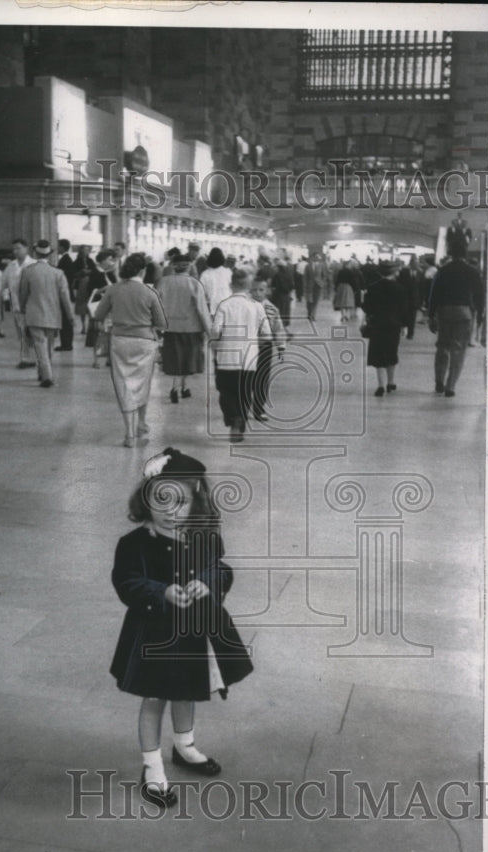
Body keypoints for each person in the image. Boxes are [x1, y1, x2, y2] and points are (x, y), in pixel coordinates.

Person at [110, 447, 254, 808]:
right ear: (146, 501)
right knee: (155, 697)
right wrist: (161, 592)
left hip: (194, 632)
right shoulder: (134, 544)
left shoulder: (203, 536)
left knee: (188, 689)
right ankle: (152, 768)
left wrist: (208, 581)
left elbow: (221, 569)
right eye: (162, 501)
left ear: (195, 503)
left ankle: (184, 747)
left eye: (181, 503)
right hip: (155, 635)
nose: (171, 512)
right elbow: (127, 583)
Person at [94, 252, 167, 448]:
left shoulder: (113, 289)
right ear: (143, 270)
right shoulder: (150, 292)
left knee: (123, 384)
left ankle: (129, 435)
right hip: (145, 342)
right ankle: (141, 423)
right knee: (142, 383)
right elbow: (161, 323)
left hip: (120, 340)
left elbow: (99, 314)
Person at [210, 267, 270, 441]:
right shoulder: (257, 306)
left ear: (231, 285)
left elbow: (215, 333)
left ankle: (232, 417)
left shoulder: (224, 305)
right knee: (245, 393)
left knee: (226, 392)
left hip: (226, 359)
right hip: (249, 359)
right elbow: (267, 334)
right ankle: (240, 419)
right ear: (249, 286)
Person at [428, 232, 484, 398]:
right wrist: (480, 313)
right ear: (465, 254)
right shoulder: (472, 271)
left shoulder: (443, 270)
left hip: (444, 311)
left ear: (450, 253)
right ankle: (450, 386)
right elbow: (479, 294)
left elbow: (434, 294)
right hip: (464, 312)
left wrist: (431, 315)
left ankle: (439, 381)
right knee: (458, 350)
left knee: (442, 347)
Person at [18, 239, 75, 388]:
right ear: (49, 255)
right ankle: (44, 373)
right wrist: (70, 315)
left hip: (34, 313)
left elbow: (23, 293)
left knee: (39, 345)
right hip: (53, 314)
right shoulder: (58, 273)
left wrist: (22, 307)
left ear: (35, 253)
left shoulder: (28, 271)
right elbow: (65, 297)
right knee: (49, 346)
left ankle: (46, 375)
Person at [156, 253, 212, 403]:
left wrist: (156, 326)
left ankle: (176, 387)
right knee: (187, 359)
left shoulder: (163, 282)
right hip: (190, 328)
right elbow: (201, 309)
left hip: (170, 327)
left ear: (173, 266)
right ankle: (183, 387)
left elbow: (156, 305)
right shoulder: (194, 283)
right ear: (190, 266)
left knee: (175, 359)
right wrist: (209, 330)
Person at [362, 259, 409, 397]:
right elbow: (404, 310)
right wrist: (405, 325)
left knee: (378, 355)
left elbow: (366, 307)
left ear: (380, 272)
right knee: (391, 352)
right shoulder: (400, 289)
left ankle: (380, 385)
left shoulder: (373, 287)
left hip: (377, 324)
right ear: (394, 272)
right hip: (394, 325)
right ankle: (391, 382)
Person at [251, 276, 287, 422]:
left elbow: (278, 329)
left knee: (262, 378)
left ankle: (259, 409)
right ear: (249, 290)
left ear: (267, 291)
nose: (258, 293)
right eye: (254, 290)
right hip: (247, 346)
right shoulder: (244, 306)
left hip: (265, 347)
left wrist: (281, 345)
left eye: (261, 290)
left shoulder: (272, 308)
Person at [1, 238, 36, 370]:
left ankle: (35, 357)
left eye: (18, 248)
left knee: (32, 332)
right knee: (22, 332)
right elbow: (3, 281)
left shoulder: (34, 264)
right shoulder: (11, 265)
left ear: (26, 248)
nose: (15, 251)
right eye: (14, 249)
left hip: (31, 304)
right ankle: (25, 358)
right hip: (16, 305)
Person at [85, 249, 118, 367]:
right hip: (99, 306)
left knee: (110, 332)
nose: (111, 262)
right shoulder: (94, 273)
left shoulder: (109, 273)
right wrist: (104, 289)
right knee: (98, 333)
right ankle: (96, 359)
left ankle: (109, 357)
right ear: (102, 260)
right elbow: (91, 291)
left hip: (111, 306)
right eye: (109, 259)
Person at [55, 239, 76, 351]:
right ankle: (66, 343)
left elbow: (65, 278)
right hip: (66, 292)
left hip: (65, 293)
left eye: (58, 246)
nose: (57, 248)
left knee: (65, 320)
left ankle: (66, 344)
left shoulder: (65, 260)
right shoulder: (67, 259)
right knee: (65, 319)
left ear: (62, 247)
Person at [200, 247, 233, 316]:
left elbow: (201, 293)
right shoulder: (228, 272)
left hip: (213, 308)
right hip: (228, 305)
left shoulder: (205, 274)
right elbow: (232, 288)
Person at [398, 255, 421, 340]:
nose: (417, 265)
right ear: (411, 263)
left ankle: (410, 334)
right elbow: (399, 284)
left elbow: (422, 288)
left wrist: (421, 301)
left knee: (412, 317)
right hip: (405, 298)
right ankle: (403, 329)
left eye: (417, 263)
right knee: (404, 315)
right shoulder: (403, 272)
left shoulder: (420, 273)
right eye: (415, 263)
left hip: (415, 299)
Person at [304, 252, 327, 323]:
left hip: (318, 286)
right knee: (309, 301)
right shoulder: (308, 266)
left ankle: (313, 315)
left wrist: (322, 283)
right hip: (309, 286)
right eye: (316, 257)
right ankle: (309, 313)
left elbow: (324, 275)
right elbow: (305, 277)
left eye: (318, 257)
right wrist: (305, 286)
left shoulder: (321, 266)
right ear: (312, 257)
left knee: (316, 301)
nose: (317, 258)